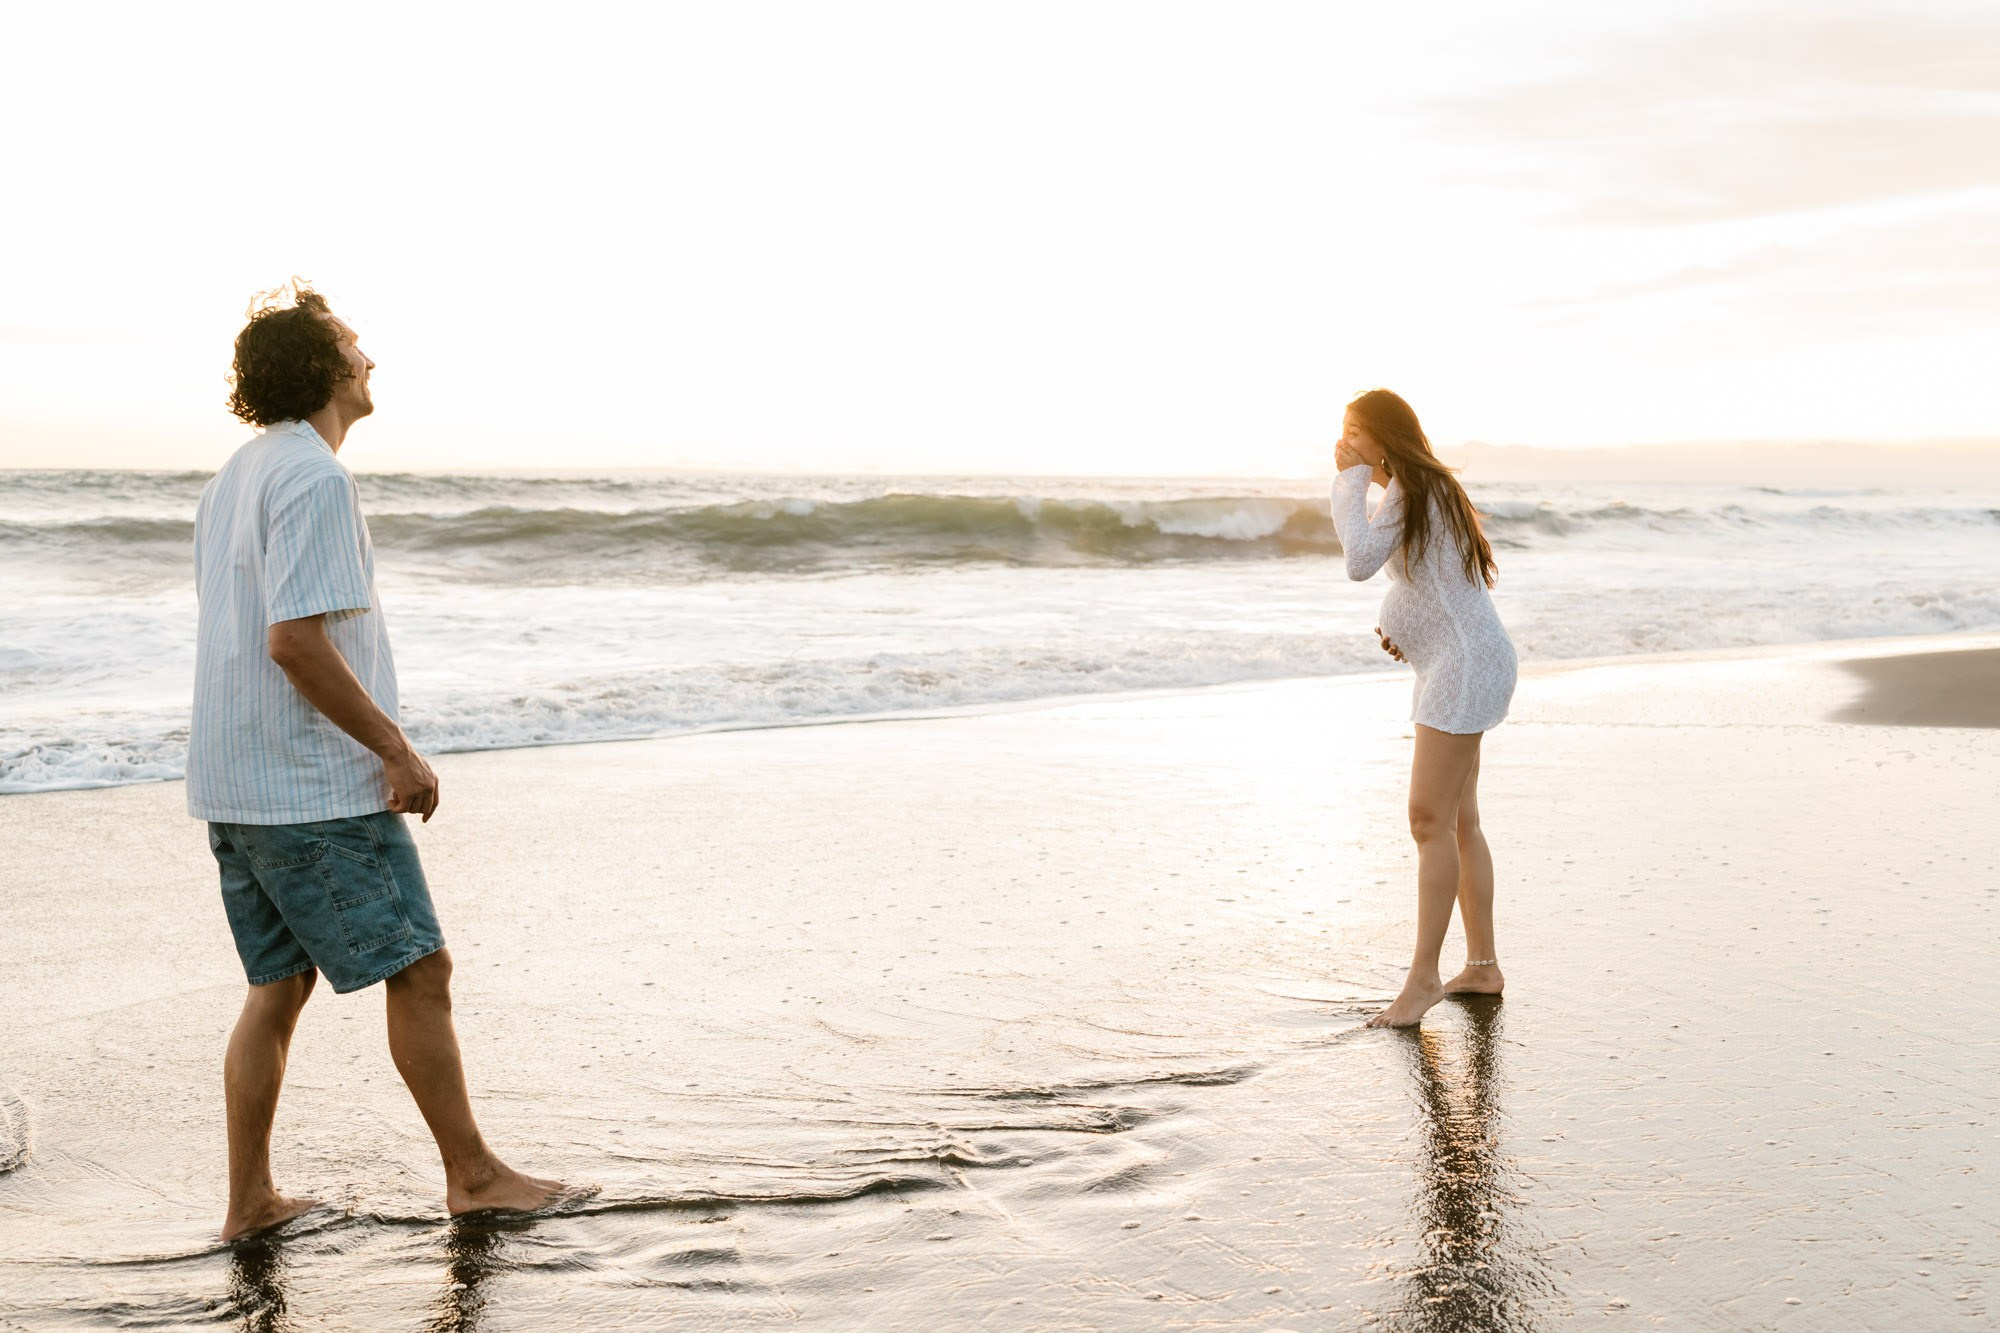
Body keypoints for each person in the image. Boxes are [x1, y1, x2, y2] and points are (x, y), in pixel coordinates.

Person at [188, 284, 565, 1240]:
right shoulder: (314, 477)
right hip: (308, 785)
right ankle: (473, 1174)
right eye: (352, 343)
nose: (369, 357)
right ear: (321, 368)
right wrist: (395, 750)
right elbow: (294, 642)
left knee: (276, 987)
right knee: (421, 967)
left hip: (236, 784)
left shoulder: (239, 470)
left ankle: (249, 1203)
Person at [1330, 388, 1517, 1028]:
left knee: (1428, 820)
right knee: (1459, 821)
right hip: (1462, 662)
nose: (1345, 442)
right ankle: (1483, 966)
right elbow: (1437, 585)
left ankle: (1422, 983)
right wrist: (1405, 628)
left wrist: (1348, 482)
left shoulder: (1412, 488)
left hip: (1463, 668)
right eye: (1343, 433)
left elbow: (1359, 562)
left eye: (1356, 432)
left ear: (1384, 436)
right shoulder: (1422, 489)